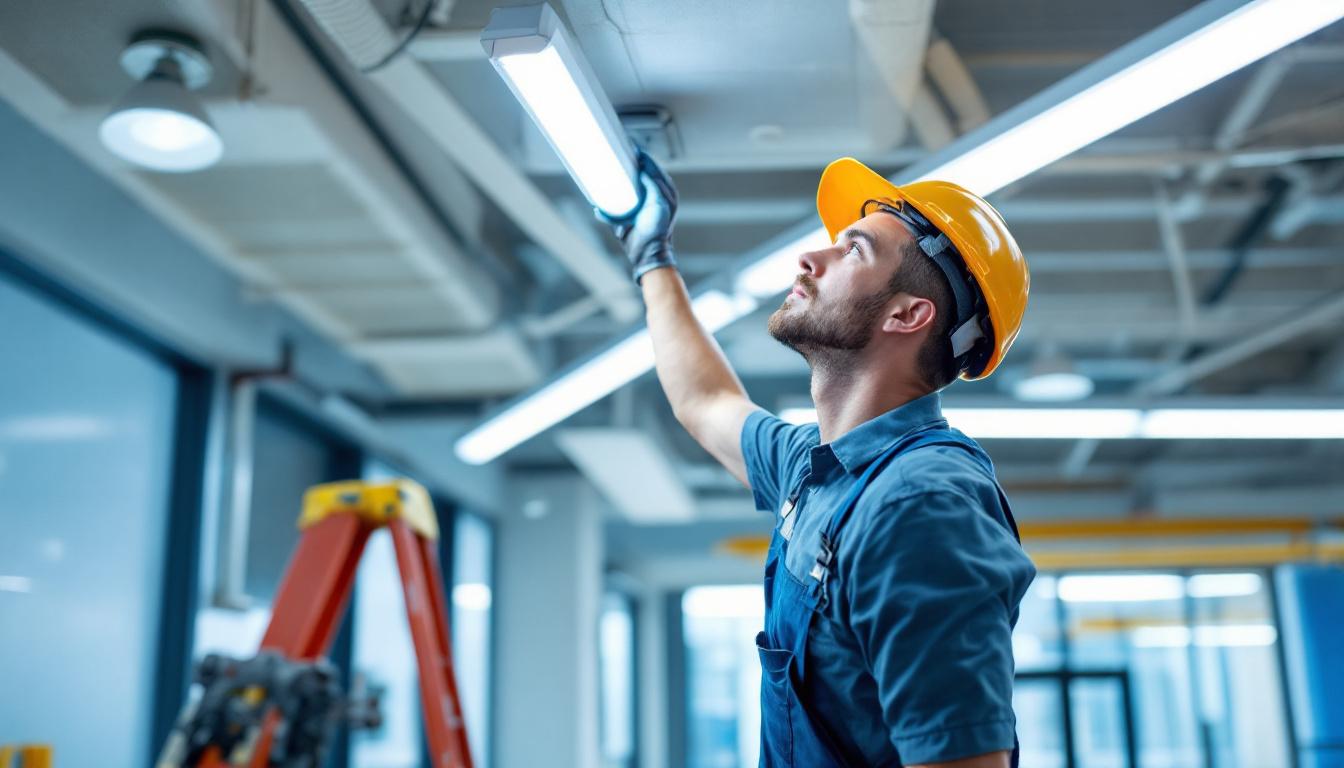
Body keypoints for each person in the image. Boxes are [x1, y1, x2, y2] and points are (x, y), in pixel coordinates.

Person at [605, 150, 1037, 768]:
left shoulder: (920, 505)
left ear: (907, 315)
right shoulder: (819, 470)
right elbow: (706, 402)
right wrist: (653, 257)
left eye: (854, 251)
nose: (812, 258)